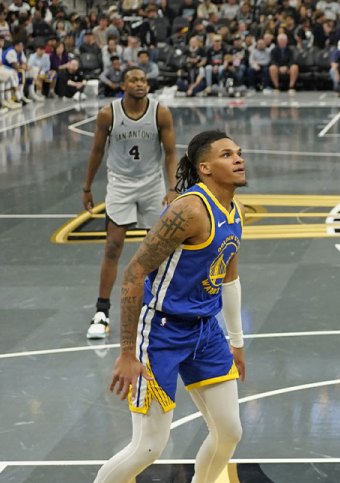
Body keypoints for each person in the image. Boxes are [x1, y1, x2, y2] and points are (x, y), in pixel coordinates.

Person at [94, 130, 247, 483]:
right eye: (227, 155)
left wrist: (236, 341)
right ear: (205, 167)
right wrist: (128, 352)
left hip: (206, 332)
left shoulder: (234, 209)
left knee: (229, 432)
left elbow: (229, 278)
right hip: (162, 331)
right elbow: (133, 274)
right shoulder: (188, 210)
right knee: (149, 446)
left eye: (238, 152)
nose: (238, 159)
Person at [82, 68, 177, 339]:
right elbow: (97, 151)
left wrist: (172, 187)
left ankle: (160, 309)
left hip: (151, 182)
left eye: (143, 80)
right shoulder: (108, 114)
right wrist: (87, 187)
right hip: (121, 182)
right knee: (113, 246)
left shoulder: (160, 112)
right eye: (134, 80)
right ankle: (101, 311)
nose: (140, 84)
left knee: (158, 248)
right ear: (123, 84)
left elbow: (171, 153)